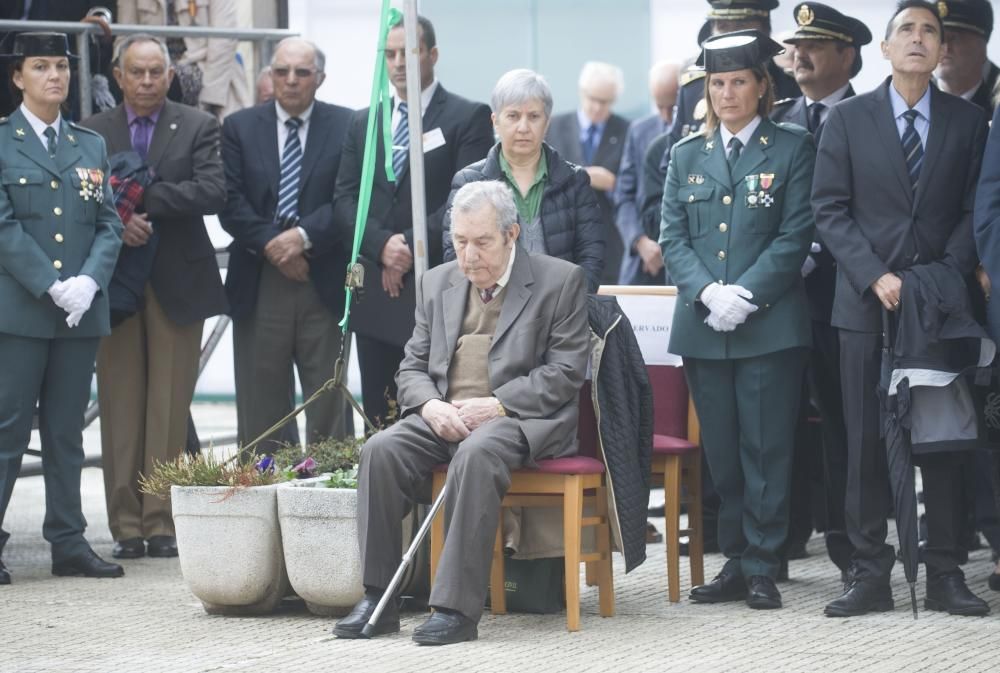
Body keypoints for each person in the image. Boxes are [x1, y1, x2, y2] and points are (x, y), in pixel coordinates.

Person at [333, 180, 589, 645]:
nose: (469, 256)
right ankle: (379, 596)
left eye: (482, 242)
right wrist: (430, 405)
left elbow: (566, 372)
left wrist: (499, 403)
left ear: (512, 234)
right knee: (380, 449)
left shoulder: (560, 280)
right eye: (460, 242)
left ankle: (454, 608)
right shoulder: (437, 282)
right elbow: (411, 365)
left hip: (521, 419)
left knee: (477, 450)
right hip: (446, 415)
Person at [813, 0, 990, 618]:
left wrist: (944, 274)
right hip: (865, 308)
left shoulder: (969, 123)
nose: (918, 39)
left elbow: (976, 208)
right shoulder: (848, 120)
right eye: (907, 30)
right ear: (884, 50)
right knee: (863, 442)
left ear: (943, 50)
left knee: (941, 442)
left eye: (930, 32)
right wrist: (874, 275)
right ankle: (869, 574)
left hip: (938, 307)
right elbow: (828, 208)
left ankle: (945, 572)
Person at [660, 30, 815, 610]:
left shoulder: (793, 147)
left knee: (767, 448)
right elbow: (672, 236)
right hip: (705, 326)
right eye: (717, 83)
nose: (726, 94)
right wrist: (706, 293)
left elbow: (796, 233)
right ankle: (733, 558)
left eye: (738, 82)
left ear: (761, 87)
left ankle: (763, 562)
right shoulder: (684, 154)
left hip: (767, 324)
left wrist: (744, 293)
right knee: (722, 450)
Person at [81, 33, 227, 560]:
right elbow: (83, 200)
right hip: (114, 283)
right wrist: (119, 225)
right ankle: (125, 525)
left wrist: (141, 202)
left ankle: (162, 521)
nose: (146, 82)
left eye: (155, 73)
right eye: (135, 73)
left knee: (169, 404)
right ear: (117, 76)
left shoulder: (197, 124)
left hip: (176, 283)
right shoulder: (92, 130)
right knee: (120, 403)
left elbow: (213, 190)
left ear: (170, 76)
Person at [0, 32, 124, 584]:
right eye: (41, 66)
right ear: (17, 78)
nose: (56, 76)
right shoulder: (3, 142)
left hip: (77, 315)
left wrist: (89, 283)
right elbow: (3, 228)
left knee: (67, 432)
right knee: (6, 430)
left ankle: (69, 540)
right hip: (22, 313)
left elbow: (109, 224)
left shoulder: (89, 144)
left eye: (62, 67)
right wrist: (50, 285)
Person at [333, 15, 493, 426]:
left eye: (408, 52)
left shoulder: (466, 116)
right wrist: (382, 246)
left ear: (432, 54)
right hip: (378, 285)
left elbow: (467, 199)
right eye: (390, 55)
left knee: (434, 405)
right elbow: (345, 199)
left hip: (437, 283)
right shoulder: (364, 121)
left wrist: (406, 243)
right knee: (378, 413)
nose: (398, 63)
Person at [770, 1, 872, 579]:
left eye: (816, 46)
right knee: (777, 422)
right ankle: (776, 544)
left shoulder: (869, 116)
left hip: (842, 297)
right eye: (796, 46)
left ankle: (852, 547)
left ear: (847, 55)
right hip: (781, 300)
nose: (799, 55)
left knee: (842, 426)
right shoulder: (781, 119)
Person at [221, 38, 354, 452]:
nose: (291, 81)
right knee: (262, 409)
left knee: (328, 402)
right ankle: (264, 502)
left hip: (323, 281)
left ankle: (330, 500)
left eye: (302, 73)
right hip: (260, 280)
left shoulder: (349, 124)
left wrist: (302, 238)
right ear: (271, 75)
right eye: (282, 72)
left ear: (320, 78)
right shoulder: (239, 127)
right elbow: (229, 201)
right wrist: (274, 247)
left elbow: (348, 198)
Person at [442, 69, 605, 292]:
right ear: (495, 122)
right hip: (493, 313)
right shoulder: (469, 182)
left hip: (561, 312)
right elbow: (454, 253)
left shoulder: (574, 181)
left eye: (534, 117)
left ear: (547, 123)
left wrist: (570, 303)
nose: (523, 127)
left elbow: (592, 254)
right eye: (513, 116)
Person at [545, 61, 629, 285]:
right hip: (562, 238)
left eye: (605, 102)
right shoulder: (553, 127)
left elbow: (634, 189)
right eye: (592, 99)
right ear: (582, 93)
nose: (597, 107)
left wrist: (612, 183)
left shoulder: (627, 131)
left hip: (608, 242)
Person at [614, 61, 679, 286]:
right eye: (660, 106)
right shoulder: (639, 131)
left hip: (683, 264)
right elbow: (623, 196)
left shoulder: (701, 133)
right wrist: (640, 241)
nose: (666, 115)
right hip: (640, 263)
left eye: (674, 106)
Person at [935, 0, 998, 115]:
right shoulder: (914, 92)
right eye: (939, 37)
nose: (944, 48)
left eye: (955, 38)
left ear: (982, 47)